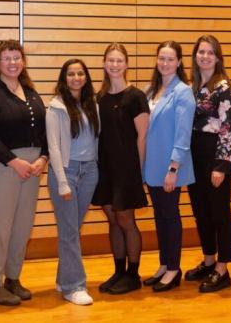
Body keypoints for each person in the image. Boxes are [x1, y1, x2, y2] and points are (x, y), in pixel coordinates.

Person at [0, 39, 48, 306]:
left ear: (23, 61)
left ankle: (13, 278)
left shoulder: (30, 92)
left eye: (17, 58)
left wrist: (44, 157)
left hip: (33, 167)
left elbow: (45, 127)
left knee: (22, 226)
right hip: (2, 164)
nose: (13, 63)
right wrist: (12, 161)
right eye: (7, 58)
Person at [92, 43, 150, 295]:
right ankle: (119, 271)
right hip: (105, 168)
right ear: (104, 64)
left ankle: (133, 274)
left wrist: (138, 171)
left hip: (127, 169)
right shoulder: (99, 98)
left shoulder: (135, 97)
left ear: (126, 64)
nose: (114, 65)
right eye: (110, 61)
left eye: (119, 61)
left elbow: (142, 137)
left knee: (126, 220)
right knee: (112, 220)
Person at [143, 40, 196, 292]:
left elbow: (183, 135)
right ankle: (164, 264)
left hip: (169, 167)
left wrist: (173, 168)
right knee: (160, 217)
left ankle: (174, 268)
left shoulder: (183, 91)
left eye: (170, 59)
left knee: (170, 216)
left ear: (179, 62)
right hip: (151, 167)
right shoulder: (150, 90)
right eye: (161, 58)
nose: (165, 63)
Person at [185, 35, 231, 293]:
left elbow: (228, 130)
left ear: (217, 58)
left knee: (219, 213)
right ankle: (208, 260)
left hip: (215, 154)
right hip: (194, 155)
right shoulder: (192, 86)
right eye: (201, 52)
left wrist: (221, 165)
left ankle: (223, 267)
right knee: (201, 211)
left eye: (210, 52)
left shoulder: (223, 87)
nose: (204, 56)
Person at [46, 59, 100, 306]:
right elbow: (54, 147)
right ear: (64, 78)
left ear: (86, 77)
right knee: (69, 232)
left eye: (80, 73)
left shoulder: (92, 105)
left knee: (71, 231)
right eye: (71, 74)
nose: (76, 77)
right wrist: (62, 182)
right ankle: (74, 286)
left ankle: (63, 278)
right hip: (66, 172)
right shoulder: (55, 107)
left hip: (89, 171)